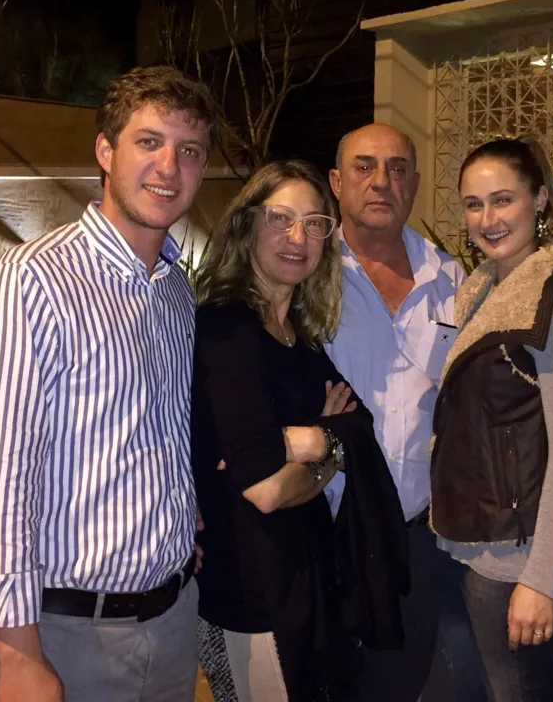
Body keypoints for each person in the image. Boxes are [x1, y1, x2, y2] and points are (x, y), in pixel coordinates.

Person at [0, 65, 215, 702]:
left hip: (173, 621)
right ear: (105, 149)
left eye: (189, 151)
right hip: (64, 635)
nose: (168, 167)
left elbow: (155, 430)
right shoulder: (30, 281)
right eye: (148, 142)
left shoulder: (176, 291)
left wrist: (176, 519)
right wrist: (18, 656)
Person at [191, 159, 408, 702]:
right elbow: (265, 491)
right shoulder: (228, 327)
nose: (298, 237)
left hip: (306, 582)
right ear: (245, 225)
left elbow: (357, 424)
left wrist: (318, 443)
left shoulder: (302, 337)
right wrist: (320, 440)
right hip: (249, 594)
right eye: (281, 218)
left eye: (315, 223)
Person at [430, 137, 553, 701]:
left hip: (519, 558)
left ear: (539, 200)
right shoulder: (483, 291)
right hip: (473, 546)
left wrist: (539, 578)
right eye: (474, 204)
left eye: (502, 200)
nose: (487, 218)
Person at [325, 123, 487, 702]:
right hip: (324, 530)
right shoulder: (307, 275)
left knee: (398, 685)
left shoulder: (453, 282)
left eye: (397, 169)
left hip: (417, 538)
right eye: (364, 167)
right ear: (336, 182)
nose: (381, 181)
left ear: (415, 184)